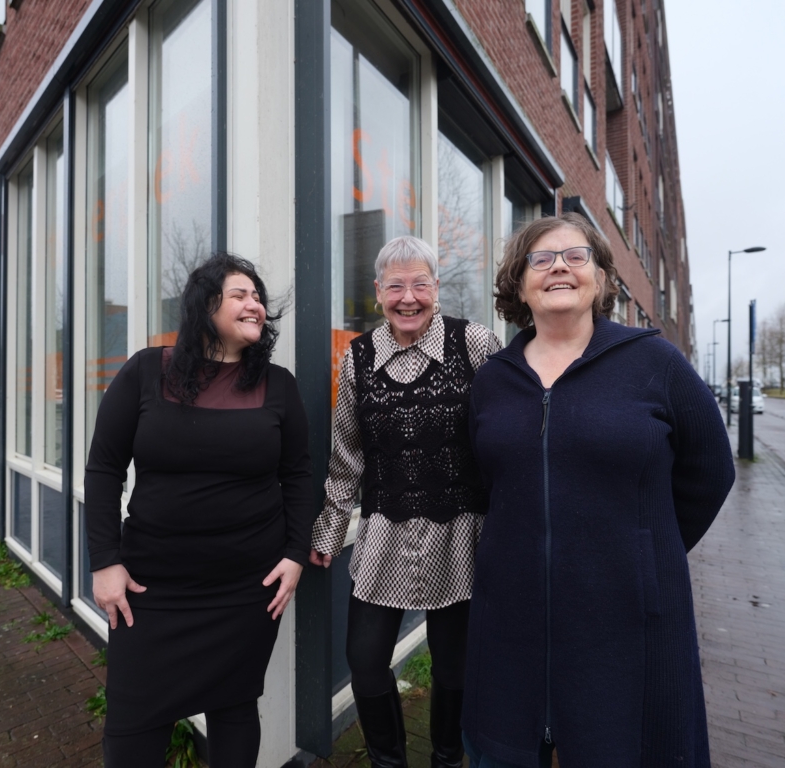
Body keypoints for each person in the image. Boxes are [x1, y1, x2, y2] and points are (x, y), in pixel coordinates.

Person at [462, 213, 735, 767]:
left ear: (602, 278)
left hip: (626, 617)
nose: (559, 267)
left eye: (576, 256)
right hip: (511, 615)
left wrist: (643, 550)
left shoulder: (656, 363)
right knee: (506, 746)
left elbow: (711, 470)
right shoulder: (492, 379)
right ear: (519, 284)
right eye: (540, 259)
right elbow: (483, 481)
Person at [85, 253, 313, 768]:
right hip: (150, 591)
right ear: (205, 305)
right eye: (240, 295)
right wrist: (104, 561)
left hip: (245, 591)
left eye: (258, 297)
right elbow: (103, 470)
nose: (255, 304)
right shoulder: (146, 371)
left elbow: (299, 475)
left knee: (235, 709)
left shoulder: (278, 384)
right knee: (132, 730)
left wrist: (296, 552)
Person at [311, 235, 501, 768]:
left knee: (454, 666)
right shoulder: (358, 357)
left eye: (420, 284)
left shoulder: (475, 344)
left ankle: (446, 759)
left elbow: (507, 432)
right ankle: (388, 762)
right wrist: (329, 530)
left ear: (436, 288)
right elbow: (347, 452)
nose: (408, 297)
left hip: (462, 535)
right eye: (396, 286)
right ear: (378, 292)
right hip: (385, 536)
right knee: (365, 660)